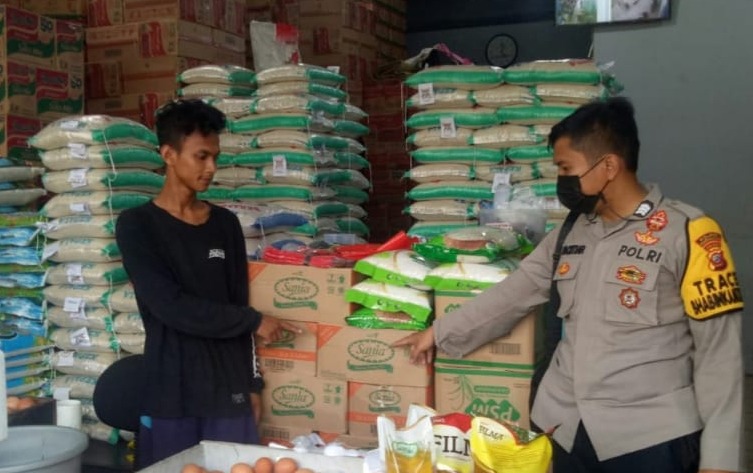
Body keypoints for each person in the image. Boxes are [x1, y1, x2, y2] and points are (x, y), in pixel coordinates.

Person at [395, 97, 745, 473]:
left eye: (566, 168)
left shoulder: (688, 233)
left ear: (608, 166)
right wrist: (440, 332)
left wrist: (720, 458)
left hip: (648, 438)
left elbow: (719, 356)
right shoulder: (571, 231)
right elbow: (515, 292)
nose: (561, 181)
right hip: (565, 428)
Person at [116, 99, 298, 468]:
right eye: (201, 156)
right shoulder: (137, 225)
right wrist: (252, 320)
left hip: (227, 392)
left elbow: (237, 300)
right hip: (172, 392)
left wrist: (251, 384)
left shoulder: (224, 224)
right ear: (169, 154)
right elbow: (169, 306)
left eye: (215, 157)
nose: (211, 167)